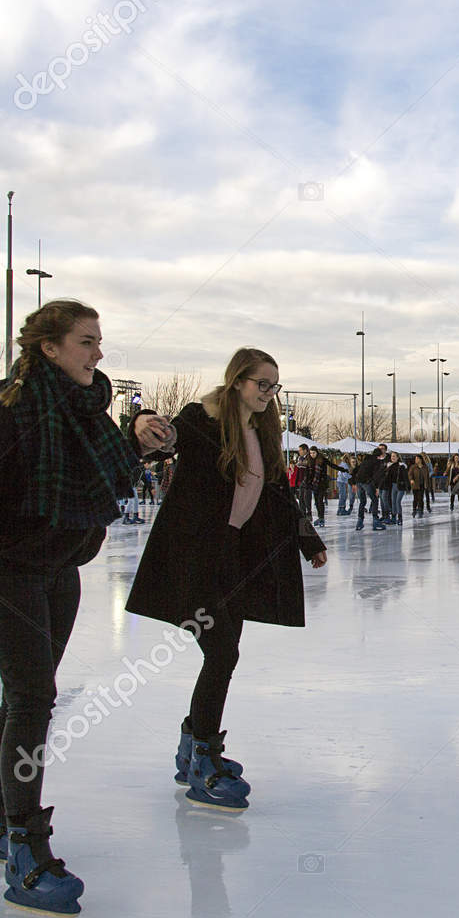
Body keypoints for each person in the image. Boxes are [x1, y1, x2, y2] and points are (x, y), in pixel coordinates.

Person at [0, 299, 171, 916]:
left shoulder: (84, 412)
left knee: (27, 695)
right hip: (7, 571)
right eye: (86, 341)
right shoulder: (14, 413)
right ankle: (26, 848)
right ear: (49, 348)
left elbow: (97, 469)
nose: (98, 352)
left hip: (60, 571)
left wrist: (139, 438)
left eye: (99, 340)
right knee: (33, 699)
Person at [125, 347, 327, 812]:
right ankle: (201, 757)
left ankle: (193, 747)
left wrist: (307, 540)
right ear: (238, 381)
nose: (270, 393)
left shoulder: (260, 429)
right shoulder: (203, 419)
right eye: (263, 384)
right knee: (221, 652)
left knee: (224, 654)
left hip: (233, 559)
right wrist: (144, 421)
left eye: (275, 386)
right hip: (195, 557)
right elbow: (169, 438)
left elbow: (277, 492)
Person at [353, 445, 385, 531]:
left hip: (359, 481)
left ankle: (359, 521)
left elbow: (357, 470)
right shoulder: (377, 462)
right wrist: (377, 487)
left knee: (362, 502)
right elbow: (377, 475)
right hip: (366, 482)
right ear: (379, 455)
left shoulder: (366, 460)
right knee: (374, 500)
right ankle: (375, 520)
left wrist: (354, 482)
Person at [310, 450, 329, 527]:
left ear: (317, 453)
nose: (312, 454)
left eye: (313, 453)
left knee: (320, 501)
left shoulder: (321, 461)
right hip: (315, 485)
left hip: (321, 484)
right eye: (311, 453)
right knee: (317, 502)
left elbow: (323, 473)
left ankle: (322, 518)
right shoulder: (311, 461)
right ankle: (319, 517)